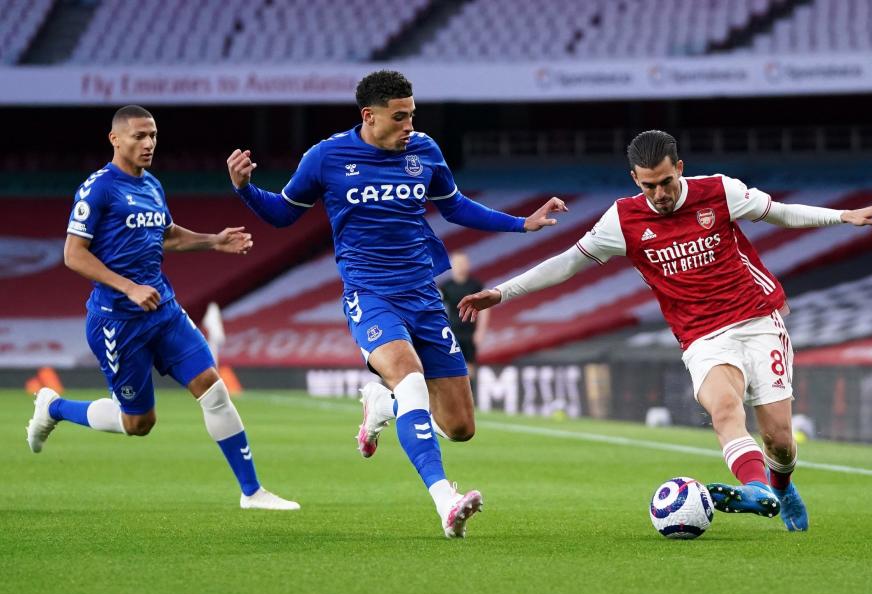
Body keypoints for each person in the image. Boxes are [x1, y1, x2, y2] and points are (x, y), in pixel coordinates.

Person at [459, 130, 872, 532]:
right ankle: (756, 491)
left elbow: (781, 213)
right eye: (648, 185)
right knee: (725, 409)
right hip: (701, 337)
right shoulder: (623, 220)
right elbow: (568, 263)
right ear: (635, 178)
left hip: (757, 320)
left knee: (780, 441)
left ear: (680, 169)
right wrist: (502, 292)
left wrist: (844, 216)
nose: (660, 193)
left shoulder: (719, 192)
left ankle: (780, 486)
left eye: (666, 182)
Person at [226, 70, 565, 537]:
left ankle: (380, 405)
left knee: (462, 427)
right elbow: (283, 214)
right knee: (409, 378)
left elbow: (456, 206)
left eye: (412, 115)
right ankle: (445, 500)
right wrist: (246, 190)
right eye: (399, 116)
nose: (409, 125)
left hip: (424, 297)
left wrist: (521, 224)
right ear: (369, 116)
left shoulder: (424, 150)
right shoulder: (326, 157)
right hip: (370, 294)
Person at [26, 105, 298, 511]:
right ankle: (55, 406)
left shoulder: (152, 184)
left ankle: (252, 492)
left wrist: (214, 240)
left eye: (152, 134)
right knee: (139, 424)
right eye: (139, 136)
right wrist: (128, 286)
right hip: (118, 323)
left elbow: (166, 234)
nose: (149, 143)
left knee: (212, 386)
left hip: (164, 312)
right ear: (115, 139)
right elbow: (73, 254)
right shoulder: (98, 188)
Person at [440, 251, 489, 378]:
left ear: (468, 264)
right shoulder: (446, 286)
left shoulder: (475, 285)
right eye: (457, 263)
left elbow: (485, 309)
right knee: (452, 366)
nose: (460, 266)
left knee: (470, 367)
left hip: (470, 332)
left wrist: (480, 331)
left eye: (462, 263)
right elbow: (437, 308)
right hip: (453, 333)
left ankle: (470, 395)